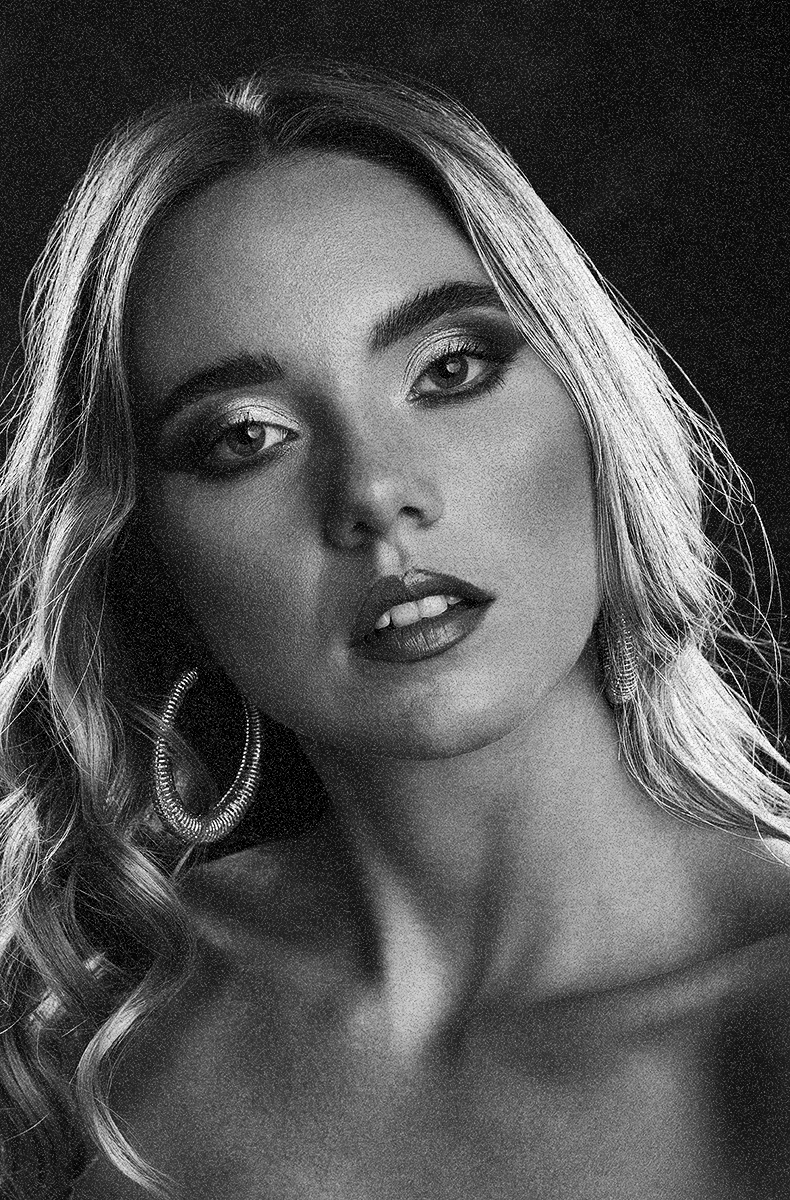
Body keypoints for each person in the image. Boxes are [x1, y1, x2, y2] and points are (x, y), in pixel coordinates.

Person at [1, 59, 790, 1200]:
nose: (373, 492)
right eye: (243, 437)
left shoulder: (759, 1032)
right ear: (149, 550)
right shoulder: (87, 997)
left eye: (450, 370)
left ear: (593, 404)